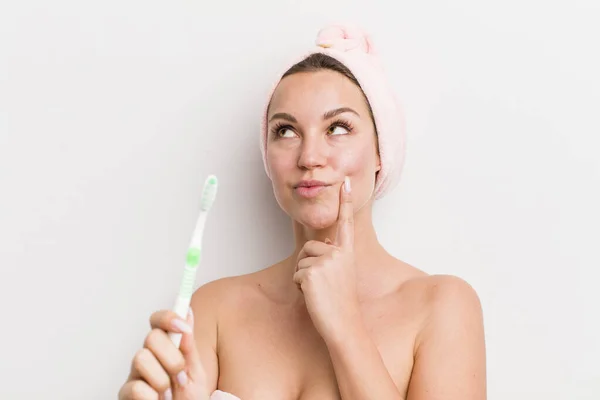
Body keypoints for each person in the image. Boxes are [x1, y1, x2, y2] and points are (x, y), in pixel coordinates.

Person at [118, 24, 486, 400]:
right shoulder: (214, 311)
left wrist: (345, 325)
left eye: (339, 128)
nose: (310, 157)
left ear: (381, 152)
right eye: (286, 131)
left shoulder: (442, 307)